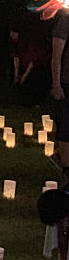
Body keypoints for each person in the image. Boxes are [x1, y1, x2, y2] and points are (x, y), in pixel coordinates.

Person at [10, 24, 49, 105]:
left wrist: (25, 75)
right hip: (23, 66)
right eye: (11, 32)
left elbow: (33, 61)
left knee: (32, 81)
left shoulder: (29, 43)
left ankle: (35, 102)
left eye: (15, 32)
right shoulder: (15, 43)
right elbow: (16, 57)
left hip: (36, 67)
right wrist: (16, 74)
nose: (12, 34)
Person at [51, 9, 69, 182]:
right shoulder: (65, 19)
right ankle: (66, 169)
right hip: (66, 82)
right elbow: (56, 56)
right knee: (65, 126)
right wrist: (56, 84)